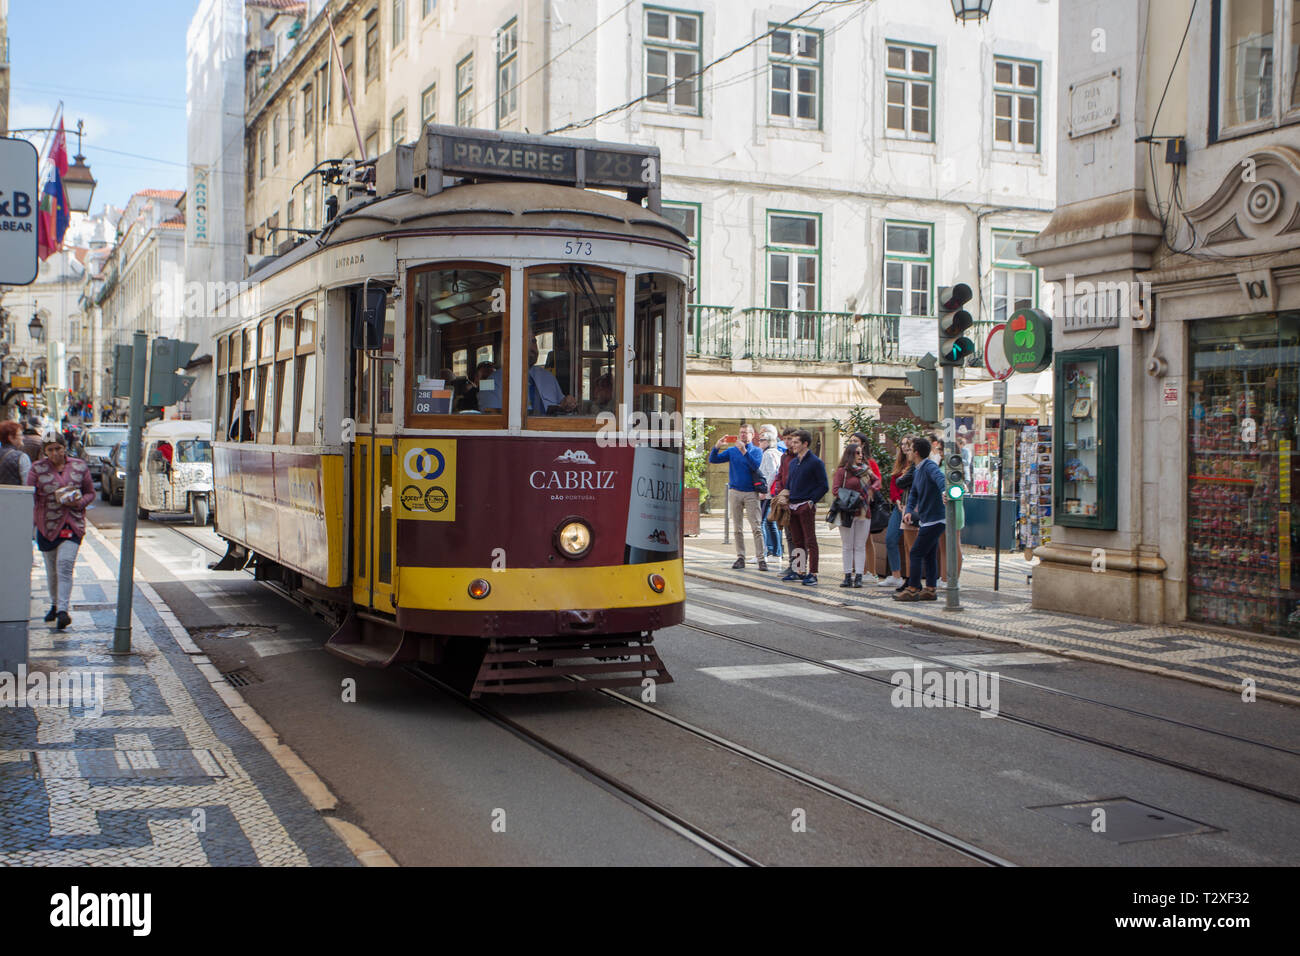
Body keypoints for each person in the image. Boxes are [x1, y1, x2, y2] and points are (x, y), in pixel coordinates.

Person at [27, 434, 95, 630]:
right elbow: (28, 493)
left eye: (58, 448)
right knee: (51, 569)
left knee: (64, 565)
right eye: (50, 450)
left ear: (64, 448)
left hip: (72, 524)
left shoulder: (79, 466)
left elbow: (91, 492)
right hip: (46, 526)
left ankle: (63, 610)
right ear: (44, 452)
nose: (55, 453)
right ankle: (55, 604)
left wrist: (79, 502)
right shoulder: (37, 469)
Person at [895, 436, 946, 602]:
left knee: (916, 552)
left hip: (935, 519)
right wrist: (909, 510)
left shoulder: (929, 466)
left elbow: (940, 478)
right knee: (929, 554)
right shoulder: (917, 470)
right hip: (927, 519)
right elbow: (914, 494)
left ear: (916, 452)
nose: (908, 452)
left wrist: (945, 491)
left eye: (910, 449)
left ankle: (913, 588)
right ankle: (930, 589)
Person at [709, 423, 766, 570]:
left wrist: (744, 451)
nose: (743, 435)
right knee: (737, 528)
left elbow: (755, 466)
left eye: (746, 433)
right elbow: (713, 460)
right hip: (735, 492)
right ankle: (740, 557)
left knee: (756, 527)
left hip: (751, 493)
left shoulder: (757, 451)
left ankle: (761, 558)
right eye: (741, 433)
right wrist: (717, 446)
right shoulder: (732, 451)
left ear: (753, 435)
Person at [782, 429, 828, 586]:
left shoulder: (815, 462)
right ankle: (799, 570)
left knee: (810, 540)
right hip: (793, 505)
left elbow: (824, 485)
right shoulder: (794, 462)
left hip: (805, 505)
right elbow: (789, 483)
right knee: (797, 539)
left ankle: (813, 573)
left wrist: (811, 501)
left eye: (796, 442)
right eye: (792, 442)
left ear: (805, 444)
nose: (792, 445)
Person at [831, 443, 877, 588]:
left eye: (861, 453)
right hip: (847, 511)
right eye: (857, 453)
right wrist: (854, 497)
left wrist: (872, 490)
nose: (861, 455)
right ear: (850, 454)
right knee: (847, 545)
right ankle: (847, 576)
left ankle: (858, 576)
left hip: (864, 512)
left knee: (860, 545)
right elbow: (835, 490)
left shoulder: (866, 470)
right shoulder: (842, 471)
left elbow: (877, 481)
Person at [880, 437, 913, 588]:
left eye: (908, 444)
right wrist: (898, 502)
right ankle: (896, 575)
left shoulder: (917, 465)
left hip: (912, 508)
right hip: (899, 507)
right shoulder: (899, 464)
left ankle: (912, 577)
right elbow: (894, 486)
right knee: (891, 538)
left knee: (910, 544)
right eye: (902, 444)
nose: (904, 447)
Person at [757, 425, 784, 561]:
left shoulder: (768, 454)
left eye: (761, 440)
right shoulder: (777, 453)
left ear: (768, 441)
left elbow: (772, 473)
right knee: (770, 522)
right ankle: (776, 552)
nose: (759, 442)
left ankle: (765, 552)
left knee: (762, 522)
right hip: (772, 493)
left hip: (767, 494)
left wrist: (764, 489)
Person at [0, 421, 33, 485]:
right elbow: (27, 484)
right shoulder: (21, 457)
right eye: (20, 435)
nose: (23, 437)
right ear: (11, 438)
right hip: (14, 494)